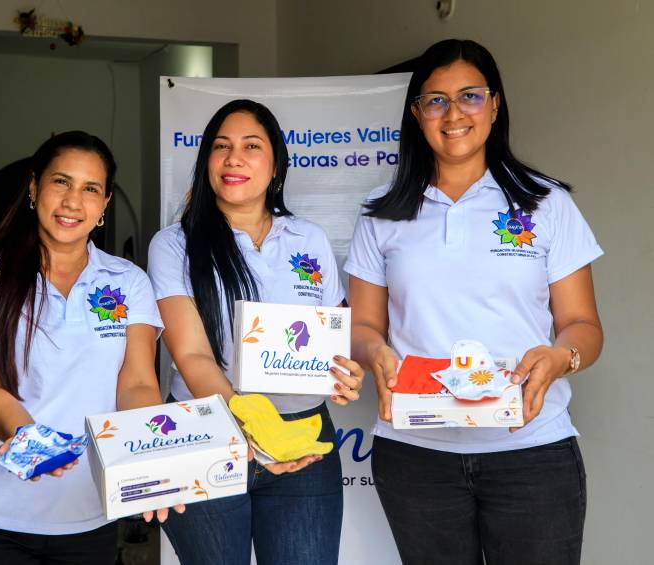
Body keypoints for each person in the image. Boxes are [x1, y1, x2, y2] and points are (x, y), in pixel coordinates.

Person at [345, 39, 603, 565]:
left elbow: (583, 325)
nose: (454, 113)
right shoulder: (380, 212)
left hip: (531, 451)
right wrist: (375, 353)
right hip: (417, 454)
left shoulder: (546, 203)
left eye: (470, 96)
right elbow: (363, 326)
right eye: (435, 100)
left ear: (496, 104)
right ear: (416, 113)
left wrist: (560, 357)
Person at [0, 131, 177, 564]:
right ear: (34, 189)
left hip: (89, 515)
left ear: (105, 204)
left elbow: (138, 385)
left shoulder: (129, 282)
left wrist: (152, 463)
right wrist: (28, 439)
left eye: (91, 189)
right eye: (61, 182)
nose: (73, 201)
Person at [148, 99, 364, 565]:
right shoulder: (175, 245)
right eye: (221, 147)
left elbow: (334, 333)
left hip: (302, 440)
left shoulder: (309, 239)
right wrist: (251, 425)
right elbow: (191, 354)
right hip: (206, 433)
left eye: (251, 146)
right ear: (206, 160)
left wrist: (346, 373)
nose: (234, 158)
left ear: (275, 164)